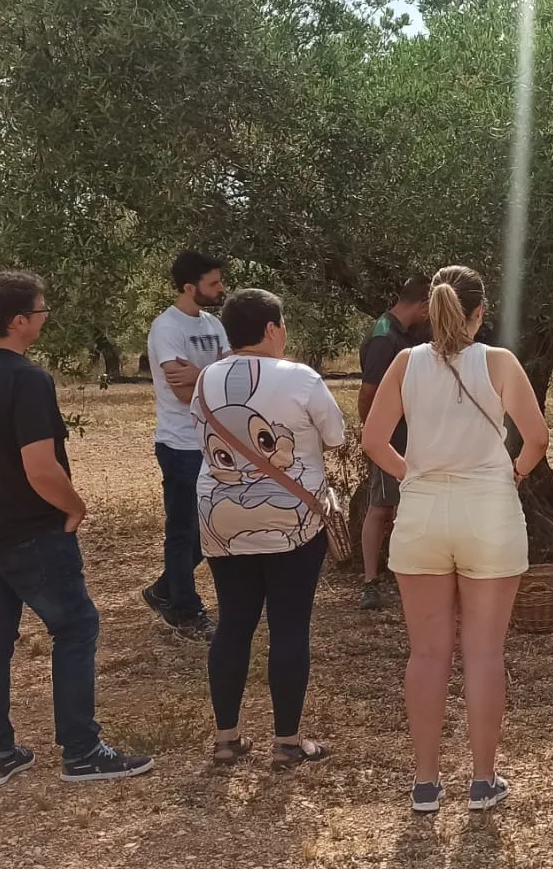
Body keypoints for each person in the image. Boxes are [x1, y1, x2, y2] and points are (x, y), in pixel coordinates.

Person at [0, 271, 153, 786]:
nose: (43, 318)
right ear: (19, 321)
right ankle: (81, 751)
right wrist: (74, 506)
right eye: (41, 311)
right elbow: (40, 467)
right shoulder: (26, 379)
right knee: (75, 627)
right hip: (29, 532)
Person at [363, 265, 548, 814]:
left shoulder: (405, 362)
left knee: (426, 653)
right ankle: (482, 781)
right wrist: (511, 474)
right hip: (488, 511)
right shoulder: (500, 362)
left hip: (421, 514)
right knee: (485, 652)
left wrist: (414, 475)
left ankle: (425, 783)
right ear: (478, 313)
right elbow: (536, 438)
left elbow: (374, 440)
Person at [191, 289, 343, 770]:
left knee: (234, 623)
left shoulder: (205, 380)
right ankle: (288, 740)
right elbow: (336, 436)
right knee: (289, 625)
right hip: (292, 519)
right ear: (274, 329)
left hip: (220, 518)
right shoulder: (300, 377)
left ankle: (227, 738)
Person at [142, 251, 229, 643]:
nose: (221, 289)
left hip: (214, 442)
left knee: (209, 528)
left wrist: (203, 374)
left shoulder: (214, 324)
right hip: (180, 444)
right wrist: (215, 376)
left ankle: (164, 589)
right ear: (189, 287)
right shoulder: (167, 328)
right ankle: (185, 610)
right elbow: (180, 391)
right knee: (183, 530)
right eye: (213, 283)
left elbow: (236, 371)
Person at [356, 274, 432, 611]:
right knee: (382, 507)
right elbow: (368, 393)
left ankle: (408, 577)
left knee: (406, 509)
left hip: (413, 436)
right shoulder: (385, 338)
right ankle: (371, 582)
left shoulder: (406, 333)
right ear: (424, 304)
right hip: (393, 440)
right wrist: (376, 433)